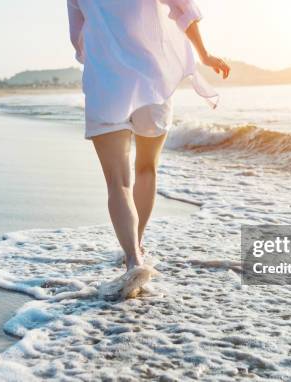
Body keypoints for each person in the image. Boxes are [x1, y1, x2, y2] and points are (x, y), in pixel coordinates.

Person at [67, 0, 230, 286]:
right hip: (151, 83)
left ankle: (132, 258)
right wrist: (204, 55)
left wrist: (107, 51)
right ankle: (138, 244)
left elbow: (78, 39)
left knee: (118, 182)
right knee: (146, 169)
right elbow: (185, 10)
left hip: (106, 86)